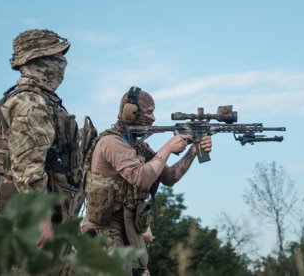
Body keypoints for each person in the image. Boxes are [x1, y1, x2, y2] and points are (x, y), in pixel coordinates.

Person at [81, 86, 212, 276]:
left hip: (130, 233)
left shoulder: (137, 145)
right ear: (129, 113)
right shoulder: (112, 142)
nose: (153, 118)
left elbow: (168, 177)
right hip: (104, 234)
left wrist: (192, 153)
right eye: (149, 111)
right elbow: (141, 179)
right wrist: (167, 148)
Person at [0, 29, 82, 246]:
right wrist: (42, 221)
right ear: (38, 61)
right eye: (56, 57)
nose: (63, 63)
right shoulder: (31, 103)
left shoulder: (30, 99)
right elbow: (27, 165)